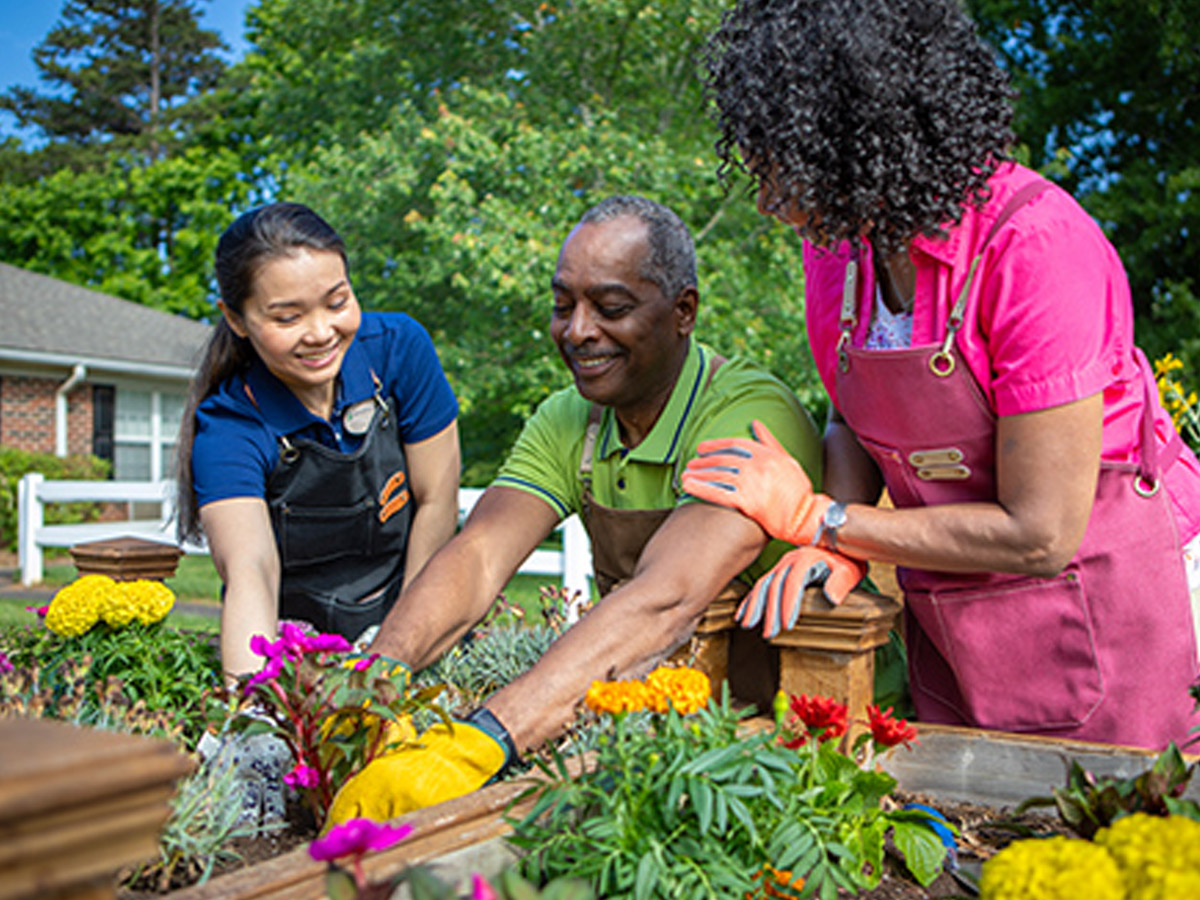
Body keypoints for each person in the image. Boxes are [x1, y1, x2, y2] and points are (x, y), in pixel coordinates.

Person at [685, 0, 1200, 751]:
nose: (767, 203)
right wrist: (834, 545)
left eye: (785, 171)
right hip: (958, 614)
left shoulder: (1036, 247)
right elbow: (852, 410)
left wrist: (823, 518)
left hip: (1112, 605)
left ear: (859, 141)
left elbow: (1041, 533)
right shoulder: (839, 243)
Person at [326, 194, 822, 824]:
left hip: (791, 738)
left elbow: (666, 598)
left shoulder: (748, 413)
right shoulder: (570, 418)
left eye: (610, 308)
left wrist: (483, 739)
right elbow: (479, 555)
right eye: (563, 306)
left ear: (684, 311)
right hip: (659, 732)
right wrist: (376, 676)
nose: (579, 331)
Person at [175, 202, 461, 681]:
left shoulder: (399, 350)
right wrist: (253, 701)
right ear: (236, 319)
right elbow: (252, 570)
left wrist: (399, 651)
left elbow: (437, 500)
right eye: (288, 318)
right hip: (297, 658)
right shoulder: (229, 426)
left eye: (337, 302)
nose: (321, 333)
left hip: (416, 615)